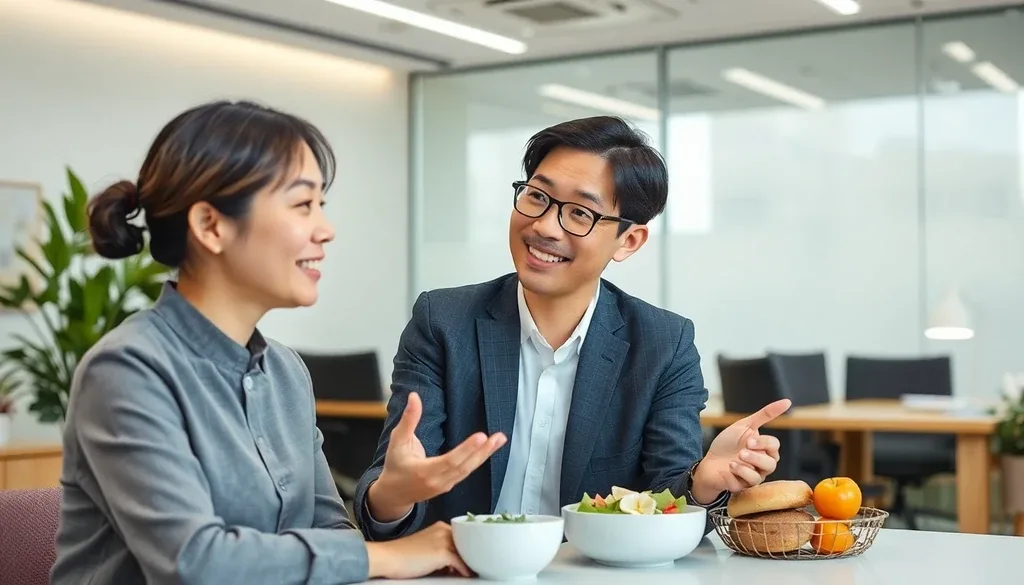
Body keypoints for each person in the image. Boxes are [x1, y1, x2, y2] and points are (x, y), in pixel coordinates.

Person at [49, 100, 469, 585]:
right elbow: (195, 562)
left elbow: (330, 530)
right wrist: (392, 558)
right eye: (302, 204)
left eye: (321, 206)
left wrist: (391, 501)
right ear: (211, 226)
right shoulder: (126, 371)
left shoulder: (285, 372)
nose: (325, 230)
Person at [354, 116, 791, 539]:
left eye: (580, 213)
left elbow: (666, 498)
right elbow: (394, 490)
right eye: (537, 197)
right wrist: (394, 494)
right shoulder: (443, 321)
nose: (544, 226)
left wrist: (702, 483)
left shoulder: (663, 344)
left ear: (628, 241)